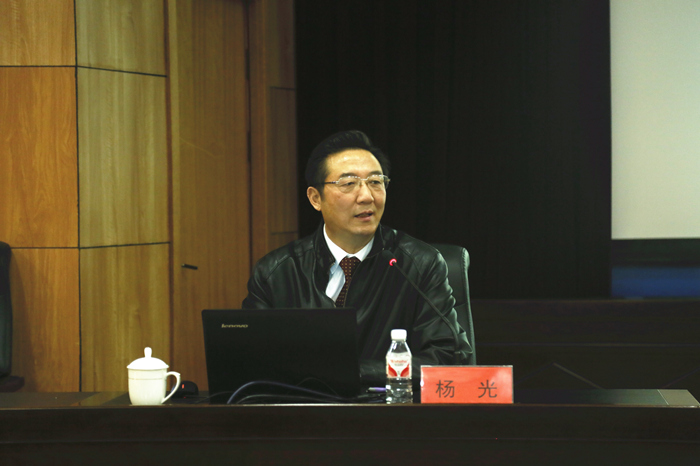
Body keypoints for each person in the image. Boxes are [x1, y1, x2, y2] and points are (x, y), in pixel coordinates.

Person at [242, 130, 473, 388]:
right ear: (315, 198)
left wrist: (352, 372)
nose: (366, 196)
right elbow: (252, 362)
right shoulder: (276, 272)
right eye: (349, 183)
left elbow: (449, 358)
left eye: (375, 182)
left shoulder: (419, 264)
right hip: (306, 410)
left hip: (391, 408)